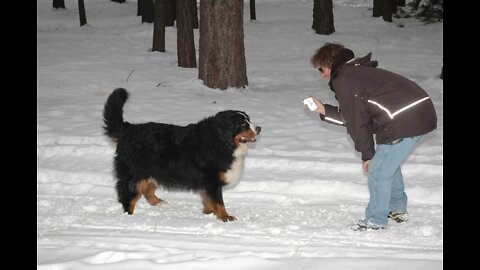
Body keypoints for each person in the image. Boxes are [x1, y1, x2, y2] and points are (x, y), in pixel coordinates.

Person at [306, 43, 437, 231]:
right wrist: (324, 110)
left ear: (329, 63)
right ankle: (397, 210)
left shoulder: (344, 78)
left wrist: (368, 155)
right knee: (387, 165)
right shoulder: (354, 72)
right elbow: (355, 116)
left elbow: (358, 123)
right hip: (412, 114)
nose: (321, 74)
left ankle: (375, 221)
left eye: (321, 69)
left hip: (404, 118)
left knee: (378, 170)